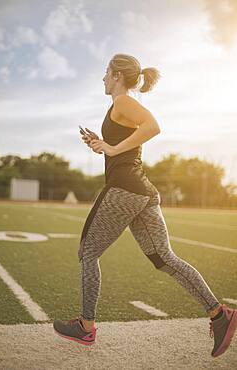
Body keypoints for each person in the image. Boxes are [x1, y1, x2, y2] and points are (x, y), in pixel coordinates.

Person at [53, 53, 237, 357]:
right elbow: (125, 148)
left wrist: (111, 147)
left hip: (125, 190)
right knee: (164, 259)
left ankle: (86, 327)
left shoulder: (123, 100)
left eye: (106, 73)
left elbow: (152, 126)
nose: (102, 78)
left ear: (116, 76)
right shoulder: (118, 107)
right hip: (141, 191)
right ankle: (220, 315)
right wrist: (103, 145)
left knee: (88, 252)